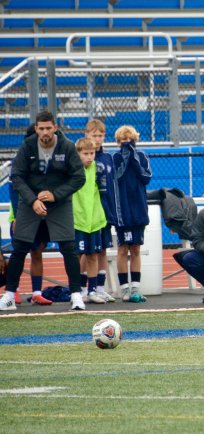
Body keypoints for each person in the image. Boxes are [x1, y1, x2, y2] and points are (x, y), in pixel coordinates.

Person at [0, 110, 86, 311]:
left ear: (55, 127)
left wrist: (56, 194)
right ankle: (10, 295)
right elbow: (17, 177)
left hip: (59, 203)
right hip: (31, 204)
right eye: (42, 128)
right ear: (36, 129)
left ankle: (76, 295)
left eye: (49, 128)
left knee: (68, 248)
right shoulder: (27, 146)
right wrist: (32, 201)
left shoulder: (67, 146)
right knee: (19, 248)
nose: (45, 132)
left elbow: (78, 177)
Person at [113, 125, 152, 303]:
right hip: (123, 210)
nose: (127, 145)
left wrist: (133, 158)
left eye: (131, 141)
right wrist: (125, 158)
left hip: (138, 209)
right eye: (124, 142)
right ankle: (124, 289)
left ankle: (135, 287)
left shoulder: (142, 156)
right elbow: (116, 177)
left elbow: (146, 177)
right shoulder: (114, 157)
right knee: (123, 248)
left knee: (136, 248)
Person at [72, 137, 108, 304]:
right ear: (78, 153)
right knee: (78, 257)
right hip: (78, 220)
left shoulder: (97, 169)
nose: (89, 157)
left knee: (93, 255)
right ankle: (79, 290)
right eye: (85, 153)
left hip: (94, 221)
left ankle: (93, 291)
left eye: (92, 153)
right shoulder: (72, 170)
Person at [84, 119, 116, 302]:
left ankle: (100, 288)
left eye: (100, 135)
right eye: (94, 135)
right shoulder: (82, 156)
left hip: (104, 211)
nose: (97, 139)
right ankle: (83, 288)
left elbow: (112, 186)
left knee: (102, 250)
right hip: (86, 214)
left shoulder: (107, 158)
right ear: (86, 135)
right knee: (86, 252)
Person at [8, 185, 52, 306]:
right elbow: (13, 189)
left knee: (37, 253)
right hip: (21, 217)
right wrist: (17, 216)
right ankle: (13, 291)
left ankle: (36, 294)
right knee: (19, 254)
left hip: (40, 217)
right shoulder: (19, 168)